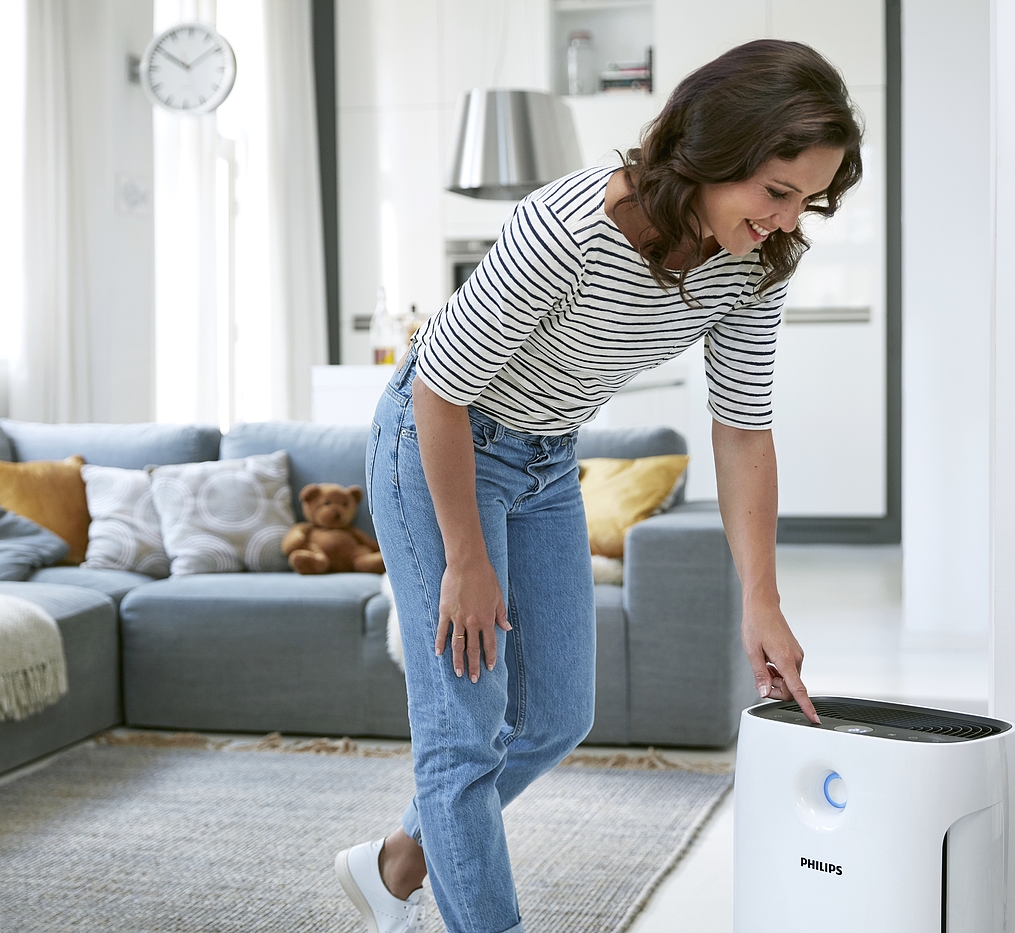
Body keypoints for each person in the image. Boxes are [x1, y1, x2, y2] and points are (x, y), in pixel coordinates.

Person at [335, 38, 864, 933]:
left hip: (546, 458)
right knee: (464, 729)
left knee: (554, 718)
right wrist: (465, 556)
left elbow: (740, 427)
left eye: (807, 201)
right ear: (714, 152)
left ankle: (396, 862)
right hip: (440, 445)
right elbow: (439, 391)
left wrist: (762, 601)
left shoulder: (758, 262)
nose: (785, 219)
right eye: (776, 192)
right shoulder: (569, 227)